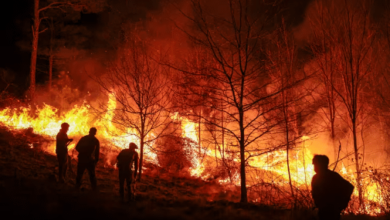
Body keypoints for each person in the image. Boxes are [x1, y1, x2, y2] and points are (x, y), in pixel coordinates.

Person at [311, 155, 354, 220]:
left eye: (315, 164)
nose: (314, 167)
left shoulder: (333, 176)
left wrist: (342, 204)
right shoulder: (315, 178)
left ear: (322, 164)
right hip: (322, 210)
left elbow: (349, 187)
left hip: (332, 211)